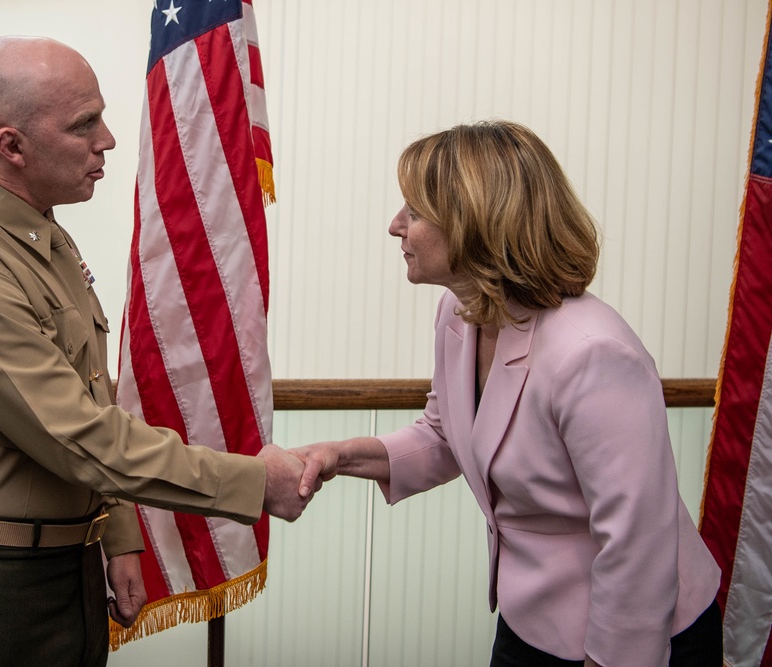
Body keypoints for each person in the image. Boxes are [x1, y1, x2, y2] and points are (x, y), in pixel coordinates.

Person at [0, 35, 310, 667]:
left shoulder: (39, 237)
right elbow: (79, 437)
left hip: (61, 567)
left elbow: (90, 395)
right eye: (84, 124)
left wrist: (120, 533)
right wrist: (252, 481)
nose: (107, 139)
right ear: (11, 146)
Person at [294, 121, 723, 666]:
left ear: (474, 222)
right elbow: (449, 434)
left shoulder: (592, 352)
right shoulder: (461, 311)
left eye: (415, 212)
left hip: (633, 634)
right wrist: (341, 456)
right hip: (529, 618)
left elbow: (638, 545)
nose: (395, 226)